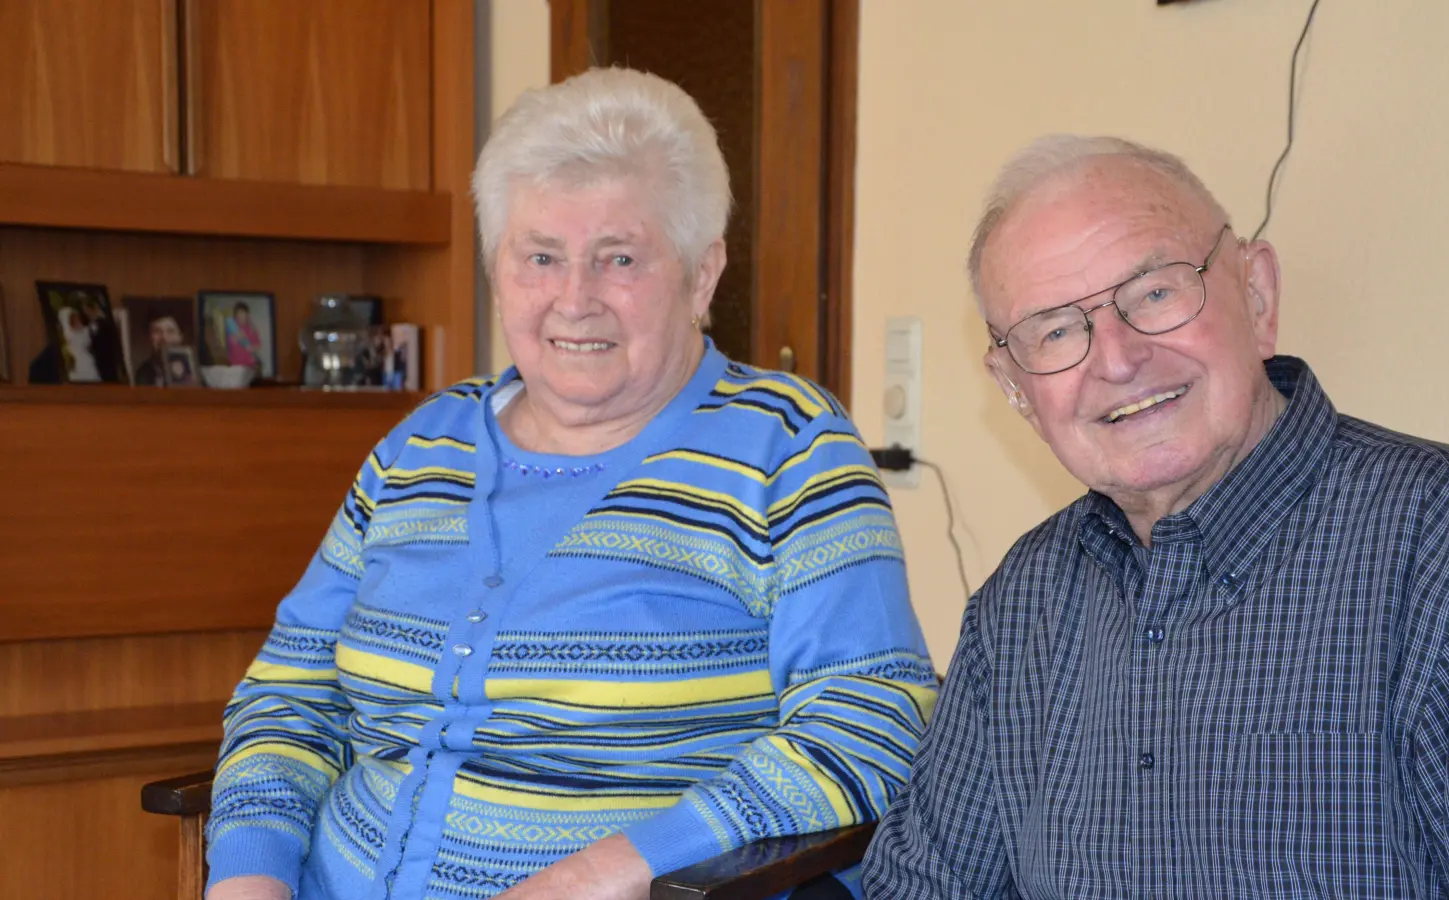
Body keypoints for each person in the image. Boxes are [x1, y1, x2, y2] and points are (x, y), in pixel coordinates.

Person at [206, 67, 936, 900]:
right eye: (541, 257)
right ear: (497, 272)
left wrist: (610, 871)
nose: (574, 299)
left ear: (702, 275)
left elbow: (871, 720)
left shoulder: (788, 446)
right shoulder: (421, 448)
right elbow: (289, 693)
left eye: (618, 258)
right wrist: (249, 875)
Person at [862, 135, 1449, 898]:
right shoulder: (1019, 608)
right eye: (1054, 330)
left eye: (1154, 292)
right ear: (1015, 389)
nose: (1115, 360)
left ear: (1258, 294)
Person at [136, 314, 186, 385]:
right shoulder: (142, 374)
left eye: (170, 331)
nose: (164, 338)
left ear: (180, 336)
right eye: (157, 331)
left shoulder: (193, 368)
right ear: (149, 337)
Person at [224, 302, 263, 371]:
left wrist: (251, 348)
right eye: (237, 314)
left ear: (246, 314)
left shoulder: (252, 328)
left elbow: (259, 345)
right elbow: (228, 345)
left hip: (249, 365)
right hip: (234, 366)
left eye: (242, 313)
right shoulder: (232, 328)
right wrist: (235, 338)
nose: (240, 316)